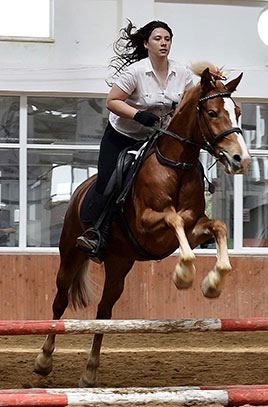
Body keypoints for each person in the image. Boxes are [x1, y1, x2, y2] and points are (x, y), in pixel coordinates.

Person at [76, 19, 196, 257]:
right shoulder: (136, 72)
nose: (163, 43)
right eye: (157, 39)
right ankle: (96, 233)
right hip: (123, 136)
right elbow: (112, 102)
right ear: (146, 44)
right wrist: (138, 115)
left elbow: (189, 103)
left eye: (167, 39)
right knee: (109, 182)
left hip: (156, 138)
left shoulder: (181, 72)